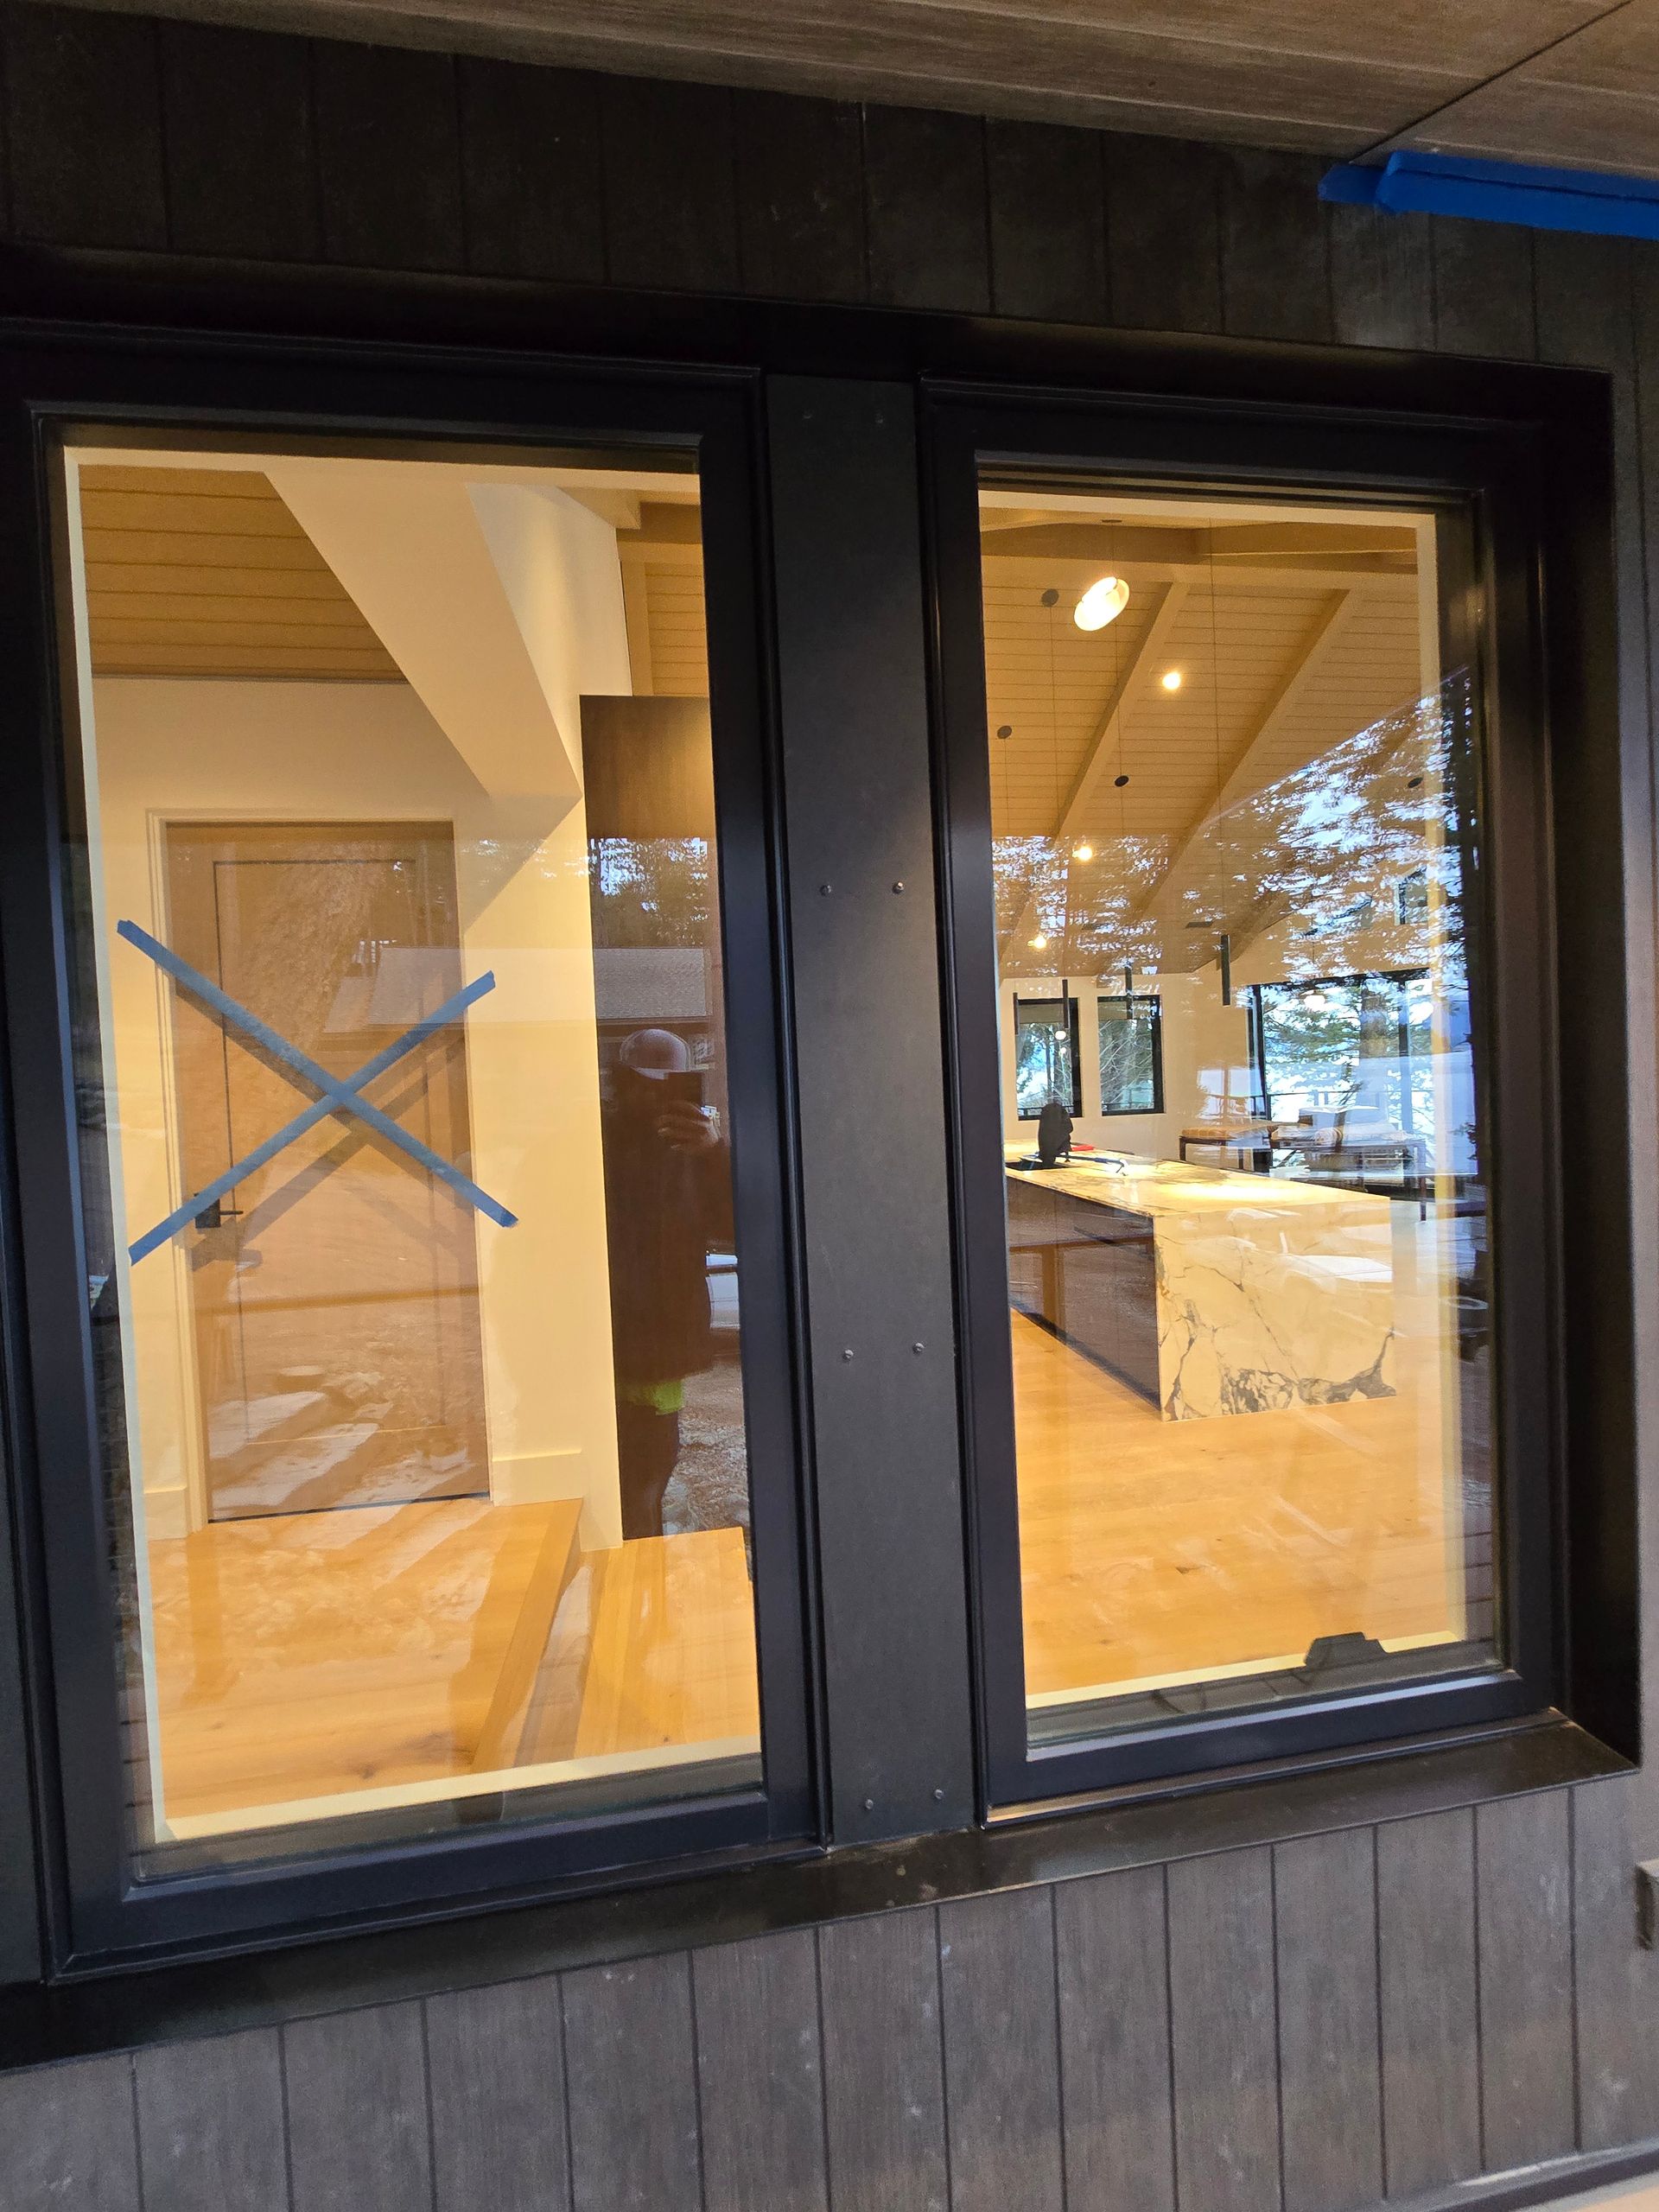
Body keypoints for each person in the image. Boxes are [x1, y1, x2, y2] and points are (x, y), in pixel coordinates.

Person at [600, 1027, 731, 1540]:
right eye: (641, 1085)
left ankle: (641, 1592)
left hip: (657, 1340)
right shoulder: (591, 1141)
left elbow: (734, 1226)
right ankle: (628, 1589)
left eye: (665, 1087)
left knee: (647, 1478)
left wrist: (713, 1152)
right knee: (613, 1477)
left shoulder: (691, 1148)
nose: (652, 1097)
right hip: (599, 1334)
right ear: (620, 1083)